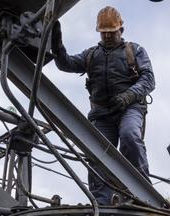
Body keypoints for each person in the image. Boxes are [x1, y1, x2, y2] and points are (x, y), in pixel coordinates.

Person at [51, 6, 155, 205]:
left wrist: (127, 96)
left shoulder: (134, 51)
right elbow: (66, 64)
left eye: (111, 32)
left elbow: (149, 79)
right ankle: (101, 201)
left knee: (130, 136)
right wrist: (57, 45)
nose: (107, 36)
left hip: (129, 108)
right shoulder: (92, 55)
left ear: (121, 30)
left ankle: (140, 193)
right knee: (97, 152)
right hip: (101, 115)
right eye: (103, 33)